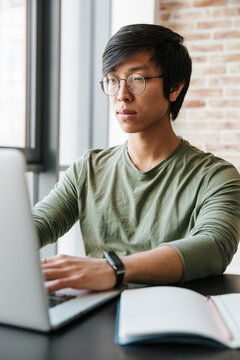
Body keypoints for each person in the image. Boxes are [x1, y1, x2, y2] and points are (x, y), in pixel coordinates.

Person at [33, 24, 240, 293]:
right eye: (112, 80)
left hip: (173, 316)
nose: (122, 95)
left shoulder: (216, 176)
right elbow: (35, 227)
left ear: (175, 87)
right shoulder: (89, 169)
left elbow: (214, 245)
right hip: (95, 313)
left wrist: (112, 269)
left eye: (137, 80)